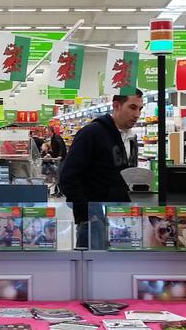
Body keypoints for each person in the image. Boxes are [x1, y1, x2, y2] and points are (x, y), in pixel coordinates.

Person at [59, 90, 143, 237]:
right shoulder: (91, 133)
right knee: (91, 260)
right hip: (94, 220)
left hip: (120, 218)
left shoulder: (132, 138)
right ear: (116, 105)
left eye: (140, 109)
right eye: (132, 107)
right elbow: (68, 177)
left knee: (119, 261)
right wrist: (86, 214)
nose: (137, 115)